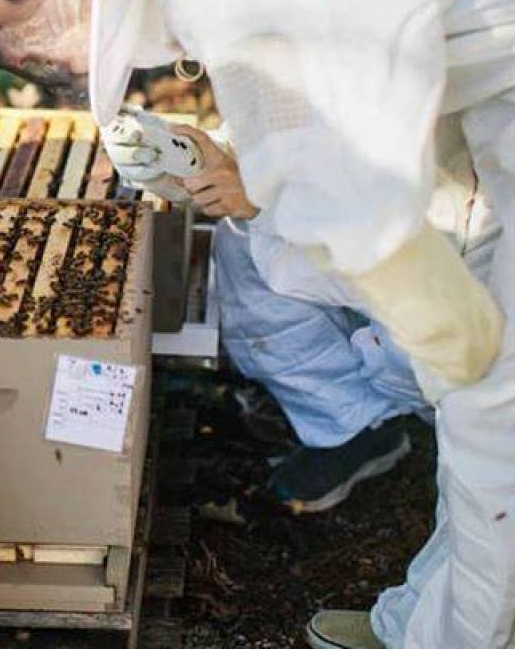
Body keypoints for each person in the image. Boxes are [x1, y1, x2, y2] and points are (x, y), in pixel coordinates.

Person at [0, 0, 515, 649]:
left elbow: (360, 210)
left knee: (496, 419)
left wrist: (465, 364)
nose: (16, 58)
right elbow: (385, 63)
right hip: (496, 89)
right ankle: (433, 625)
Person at [173, 120, 497, 514]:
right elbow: (285, 108)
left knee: (433, 364)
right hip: (373, 216)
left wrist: (263, 198)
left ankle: (465, 456)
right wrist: (215, 158)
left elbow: (416, 227)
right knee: (244, 248)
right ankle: (355, 427)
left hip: (457, 264)